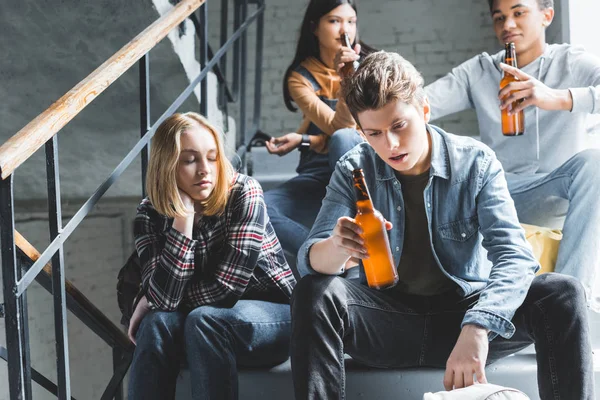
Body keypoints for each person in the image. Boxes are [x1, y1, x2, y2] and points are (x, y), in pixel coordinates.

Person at [290, 51, 594, 399]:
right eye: (373, 133)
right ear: (360, 131)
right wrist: (336, 248)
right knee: (315, 292)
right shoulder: (354, 168)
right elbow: (309, 262)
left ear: (424, 110)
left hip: (465, 317)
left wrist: (479, 325)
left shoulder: (476, 163)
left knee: (562, 292)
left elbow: (515, 257)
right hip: (386, 321)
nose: (388, 145)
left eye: (399, 126)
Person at [425, 0, 600, 312]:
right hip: (497, 195)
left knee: (595, 163)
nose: (507, 25)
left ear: (547, 15)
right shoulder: (479, 71)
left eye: (518, 13)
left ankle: (570, 305)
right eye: (499, 17)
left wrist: (557, 98)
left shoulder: (572, 62)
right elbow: (421, 104)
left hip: (553, 193)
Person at [126, 112, 296, 400]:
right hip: (199, 323)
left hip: (274, 318)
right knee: (156, 324)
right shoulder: (149, 214)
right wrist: (183, 220)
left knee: (204, 319)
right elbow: (163, 303)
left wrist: (153, 298)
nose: (205, 169)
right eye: (190, 160)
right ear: (167, 166)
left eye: (212, 157)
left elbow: (225, 288)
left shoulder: (244, 192)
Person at [263, 0, 373, 263]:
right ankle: (332, 256)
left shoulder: (371, 66)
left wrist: (304, 139)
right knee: (260, 207)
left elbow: (354, 135)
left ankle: (363, 235)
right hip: (320, 170)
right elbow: (341, 126)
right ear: (315, 27)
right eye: (334, 21)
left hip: (366, 169)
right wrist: (345, 80)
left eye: (351, 21)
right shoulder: (300, 78)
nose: (344, 29)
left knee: (344, 140)